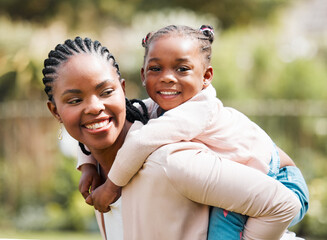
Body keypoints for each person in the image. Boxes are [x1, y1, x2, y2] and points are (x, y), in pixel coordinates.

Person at [42, 36, 301, 240]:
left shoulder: (171, 162)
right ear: (55, 111)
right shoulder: (99, 162)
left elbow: (282, 204)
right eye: (75, 100)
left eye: (106, 91)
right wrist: (87, 164)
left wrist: (110, 186)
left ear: (122, 89)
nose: (94, 107)